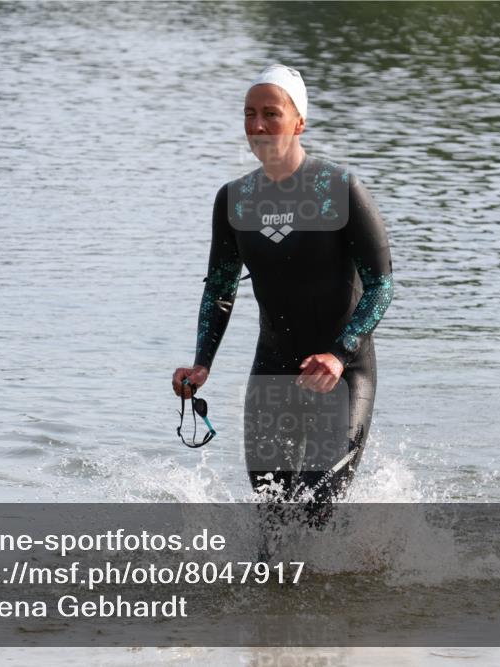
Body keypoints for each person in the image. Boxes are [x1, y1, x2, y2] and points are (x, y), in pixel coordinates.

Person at [172, 64, 393, 508]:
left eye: (271, 113)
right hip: (273, 367)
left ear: (299, 121)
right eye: (249, 113)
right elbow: (219, 287)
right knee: (272, 511)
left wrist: (339, 353)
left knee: (316, 501)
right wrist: (201, 365)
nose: (257, 125)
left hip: (343, 375)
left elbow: (381, 286)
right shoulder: (235, 199)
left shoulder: (339, 189)